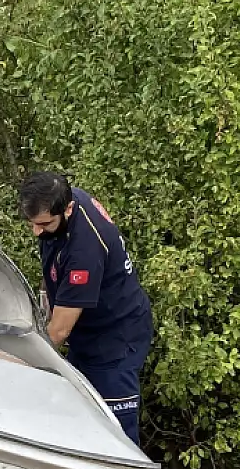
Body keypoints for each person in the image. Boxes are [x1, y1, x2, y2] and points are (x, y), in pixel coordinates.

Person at [19, 172, 153, 443]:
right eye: (31, 223)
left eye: (43, 224)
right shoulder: (65, 197)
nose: (36, 231)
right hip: (88, 332)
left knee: (114, 429)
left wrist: (20, 364)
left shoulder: (84, 253)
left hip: (115, 338)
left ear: (67, 210)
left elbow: (58, 332)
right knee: (75, 409)